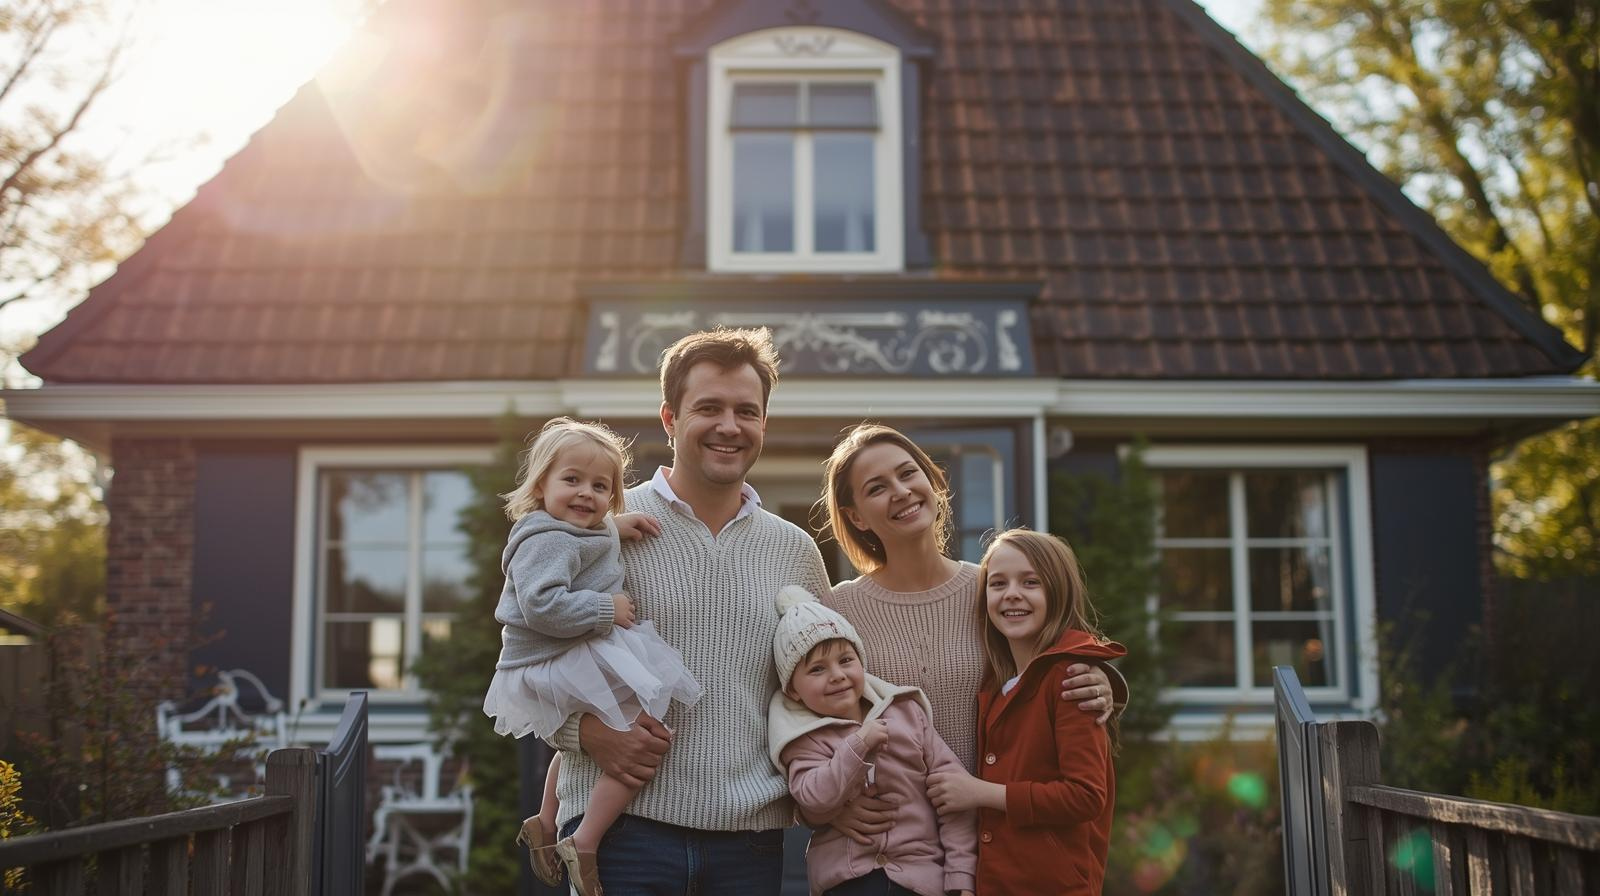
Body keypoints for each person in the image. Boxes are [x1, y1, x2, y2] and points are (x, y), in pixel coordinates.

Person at [544, 327, 834, 894]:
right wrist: (587, 734)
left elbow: (827, 686)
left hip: (749, 843)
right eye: (709, 408)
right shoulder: (600, 528)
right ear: (669, 419)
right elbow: (527, 666)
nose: (730, 426)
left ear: (763, 426)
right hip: (620, 837)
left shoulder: (795, 551)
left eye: (746, 411)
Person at [815, 424, 1126, 842]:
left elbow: (1053, 664)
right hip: (886, 850)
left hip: (993, 843)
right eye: (877, 487)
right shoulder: (838, 610)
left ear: (933, 481)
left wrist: (1106, 684)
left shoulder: (994, 593)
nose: (901, 491)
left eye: (908, 474)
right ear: (855, 516)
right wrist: (826, 809)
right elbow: (799, 718)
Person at [480, 417, 703, 895]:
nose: (586, 494)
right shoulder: (546, 538)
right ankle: (583, 839)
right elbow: (542, 603)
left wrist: (612, 529)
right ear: (541, 484)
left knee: (619, 727)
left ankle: (544, 818)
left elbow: (580, 543)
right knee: (647, 737)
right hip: (556, 655)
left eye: (600, 487)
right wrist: (607, 607)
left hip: (562, 656)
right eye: (572, 480)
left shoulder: (564, 530)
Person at [926, 528, 1125, 894]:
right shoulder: (999, 683)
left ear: (1058, 592)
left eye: (1030, 582)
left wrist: (980, 793)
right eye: (997, 583)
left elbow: (1085, 795)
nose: (1012, 593)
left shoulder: (1070, 680)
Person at [767, 585, 976, 896]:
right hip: (848, 882)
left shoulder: (906, 713)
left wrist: (961, 877)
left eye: (846, 660)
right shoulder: (804, 739)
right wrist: (857, 746)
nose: (837, 675)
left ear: (861, 663)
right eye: (817, 669)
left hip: (921, 879)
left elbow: (954, 797)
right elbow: (813, 798)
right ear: (793, 691)